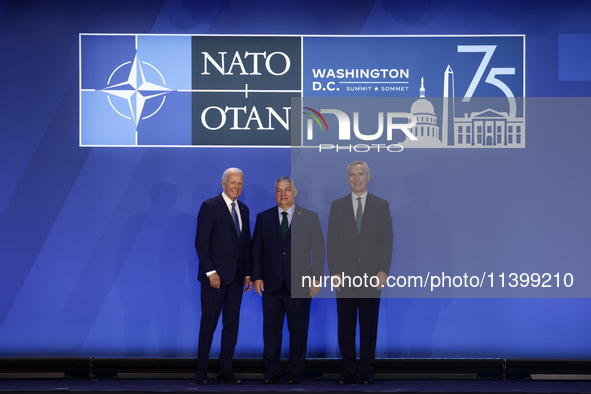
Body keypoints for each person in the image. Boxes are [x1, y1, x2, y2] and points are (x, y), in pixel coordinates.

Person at [252, 177, 324, 384]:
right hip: (271, 286)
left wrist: (317, 278)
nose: (283, 194)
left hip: (300, 286)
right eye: (278, 190)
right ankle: (272, 372)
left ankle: (294, 372)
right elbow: (256, 249)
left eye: (287, 190)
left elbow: (319, 250)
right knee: (271, 333)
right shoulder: (263, 218)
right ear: (274, 193)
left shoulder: (310, 217)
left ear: (295, 192)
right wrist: (257, 277)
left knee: (298, 333)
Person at [327, 161, 393, 385]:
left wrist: (383, 269)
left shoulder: (381, 205)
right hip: (344, 276)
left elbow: (387, 240)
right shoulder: (337, 206)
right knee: (345, 327)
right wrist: (334, 272)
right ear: (348, 179)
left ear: (368, 177)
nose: (357, 178)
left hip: (371, 276)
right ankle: (348, 369)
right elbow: (332, 242)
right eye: (353, 175)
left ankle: (365, 370)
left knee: (368, 326)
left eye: (361, 174)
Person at [194, 168, 253, 384]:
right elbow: (201, 242)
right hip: (214, 279)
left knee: (231, 326)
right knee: (208, 324)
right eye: (233, 183)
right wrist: (211, 271)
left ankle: (225, 370)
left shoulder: (244, 209)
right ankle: (201, 371)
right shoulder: (210, 206)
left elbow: (245, 245)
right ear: (223, 184)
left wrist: (247, 273)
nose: (236, 187)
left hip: (237, 279)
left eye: (240, 183)